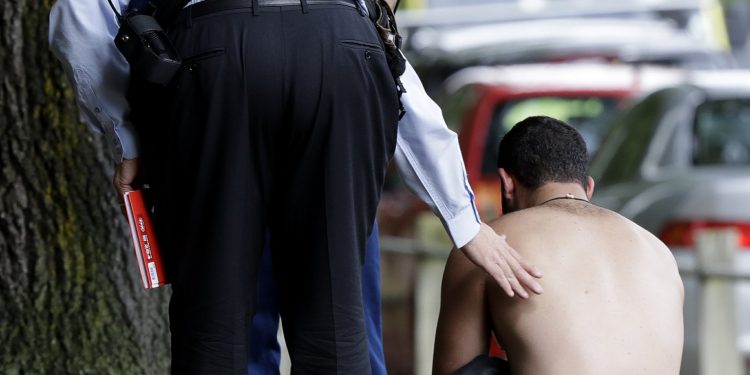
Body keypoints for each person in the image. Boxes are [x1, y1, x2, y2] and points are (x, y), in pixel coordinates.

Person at [48, 0, 543, 372]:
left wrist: (128, 136)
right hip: (341, 50)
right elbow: (389, 71)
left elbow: (77, 12)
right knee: (336, 325)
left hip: (214, 55)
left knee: (214, 327)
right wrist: (462, 217)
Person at [433, 116, 685, 375]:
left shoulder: (487, 246)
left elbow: (454, 371)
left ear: (507, 183)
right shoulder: (658, 251)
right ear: (588, 187)